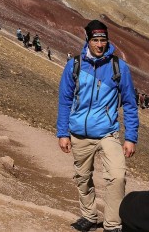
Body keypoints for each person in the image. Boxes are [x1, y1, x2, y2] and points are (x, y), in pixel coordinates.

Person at [57, 20, 139, 232]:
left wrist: (131, 137)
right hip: (78, 133)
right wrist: (62, 133)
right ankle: (89, 216)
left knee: (117, 176)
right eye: (96, 40)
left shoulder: (118, 67)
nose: (100, 45)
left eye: (103, 40)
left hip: (107, 133)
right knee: (83, 178)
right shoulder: (74, 65)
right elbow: (65, 100)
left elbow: (130, 103)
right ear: (88, 40)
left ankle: (112, 224)